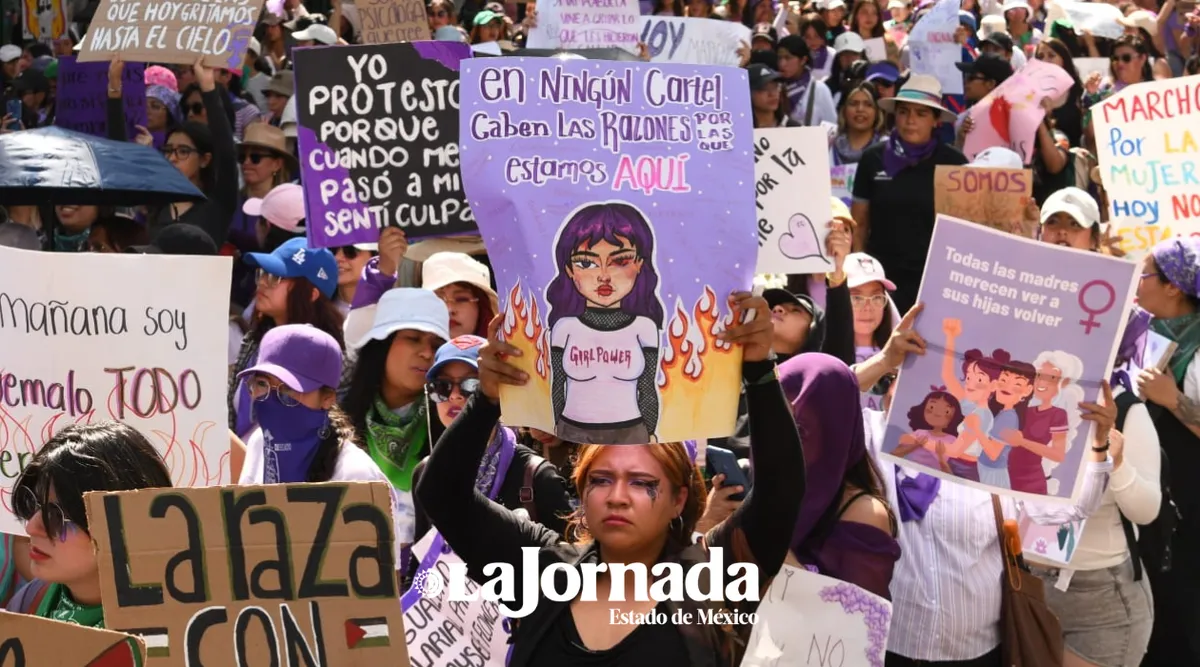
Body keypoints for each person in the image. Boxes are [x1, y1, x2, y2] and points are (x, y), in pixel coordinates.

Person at [417, 292, 803, 666]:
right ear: (582, 493)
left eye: (641, 482)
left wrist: (759, 373)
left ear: (678, 500)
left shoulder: (714, 579)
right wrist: (485, 400)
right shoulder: (542, 572)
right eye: (601, 480)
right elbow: (441, 494)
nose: (618, 496)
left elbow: (780, 492)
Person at [410, 335, 574, 547]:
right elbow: (418, 570)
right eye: (442, 386)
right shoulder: (425, 472)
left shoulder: (535, 476)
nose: (455, 396)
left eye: (472, 385)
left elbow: (575, 566)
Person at [6, 423, 174, 623]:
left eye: (56, 515)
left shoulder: (168, 631)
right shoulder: (31, 600)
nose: (31, 527)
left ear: (122, 525)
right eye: (32, 502)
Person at [545, 202, 665, 446]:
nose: (603, 275)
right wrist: (550, 426)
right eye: (586, 263)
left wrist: (652, 433)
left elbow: (648, 389)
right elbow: (557, 386)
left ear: (640, 264)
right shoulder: (564, 328)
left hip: (632, 435)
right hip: (571, 435)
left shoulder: (644, 328)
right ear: (569, 269)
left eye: (620, 261)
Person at [1132, 237, 1200, 666]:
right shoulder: (1140, 330)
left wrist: (1172, 399)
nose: (1137, 284)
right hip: (1150, 503)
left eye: (1144, 275)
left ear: (1172, 287)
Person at [342, 287, 452, 549]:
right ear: (381, 346)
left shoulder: (452, 425)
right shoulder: (334, 425)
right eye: (413, 338)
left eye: (436, 345)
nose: (426, 353)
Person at [783, 353, 899, 599]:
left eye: (799, 429)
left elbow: (859, 626)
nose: (779, 439)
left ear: (833, 434)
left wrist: (776, 551)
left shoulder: (863, 513)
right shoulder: (767, 492)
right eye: (772, 423)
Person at [852, 74, 969, 313]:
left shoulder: (954, 164)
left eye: (921, 113)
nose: (910, 120)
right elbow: (860, 222)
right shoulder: (872, 158)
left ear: (936, 120)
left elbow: (966, 230)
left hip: (936, 280)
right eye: (904, 112)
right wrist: (861, 277)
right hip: (882, 279)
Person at [229, 238, 345, 437]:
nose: (263, 283)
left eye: (276, 277)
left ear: (312, 293)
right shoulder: (254, 341)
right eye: (262, 273)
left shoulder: (331, 359)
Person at [776, 36, 838, 127]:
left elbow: (832, 128)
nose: (782, 64)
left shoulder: (819, 90)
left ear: (803, 60)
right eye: (779, 58)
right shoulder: (775, 88)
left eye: (788, 58)